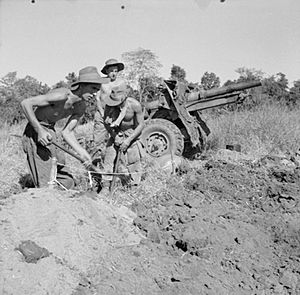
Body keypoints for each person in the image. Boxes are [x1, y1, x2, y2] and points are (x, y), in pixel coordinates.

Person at [21, 66, 107, 189]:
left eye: (97, 90)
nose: (95, 94)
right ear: (82, 85)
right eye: (93, 88)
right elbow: (26, 103)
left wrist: (83, 154)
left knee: (68, 181)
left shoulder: (80, 107)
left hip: (51, 131)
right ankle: (37, 192)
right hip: (35, 130)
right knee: (45, 181)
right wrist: (39, 130)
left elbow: (67, 132)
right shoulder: (61, 95)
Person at [100, 80, 145, 194]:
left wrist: (128, 140)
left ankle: (133, 188)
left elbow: (141, 125)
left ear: (124, 98)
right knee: (109, 157)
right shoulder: (109, 106)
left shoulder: (135, 105)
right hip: (116, 133)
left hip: (131, 135)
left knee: (133, 160)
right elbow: (106, 122)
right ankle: (106, 186)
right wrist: (115, 136)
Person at [93, 58, 125, 158]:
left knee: (117, 140)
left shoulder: (121, 83)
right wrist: (102, 113)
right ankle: (94, 168)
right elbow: (97, 98)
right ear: (107, 71)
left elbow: (123, 101)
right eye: (111, 71)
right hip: (101, 114)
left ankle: (113, 166)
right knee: (97, 142)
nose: (114, 74)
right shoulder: (101, 82)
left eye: (116, 71)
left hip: (115, 115)